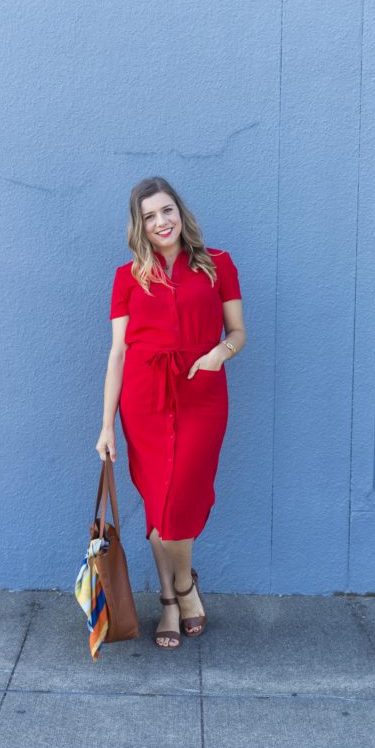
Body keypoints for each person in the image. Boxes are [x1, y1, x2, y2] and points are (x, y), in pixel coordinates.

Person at [95, 176, 246, 649]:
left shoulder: (217, 265)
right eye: (150, 216)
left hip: (201, 394)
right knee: (159, 503)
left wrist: (220, 352)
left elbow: (239, 331)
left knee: (182, 498)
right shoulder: (128, 276)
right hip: (144, 402)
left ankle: (180, 586)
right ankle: (172, 595)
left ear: (181, 212)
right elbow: (117, 353)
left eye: (167, 211)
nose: (161, 222)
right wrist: (106, 426)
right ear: (139, 226)